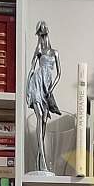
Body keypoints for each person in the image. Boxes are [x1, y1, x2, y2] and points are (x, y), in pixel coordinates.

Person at [26, 21, 61, 172]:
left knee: (45, 119)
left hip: (47, 85)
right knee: (40, 117)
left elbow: (59, 74)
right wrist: (28, 90)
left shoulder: (55, 53)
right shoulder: (39, 51)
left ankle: (39, 160)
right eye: (40, 35)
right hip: (37, 84)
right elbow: (32, 69)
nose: (42, 37)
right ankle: (43, 162)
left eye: (43, 34)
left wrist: (51, 88)